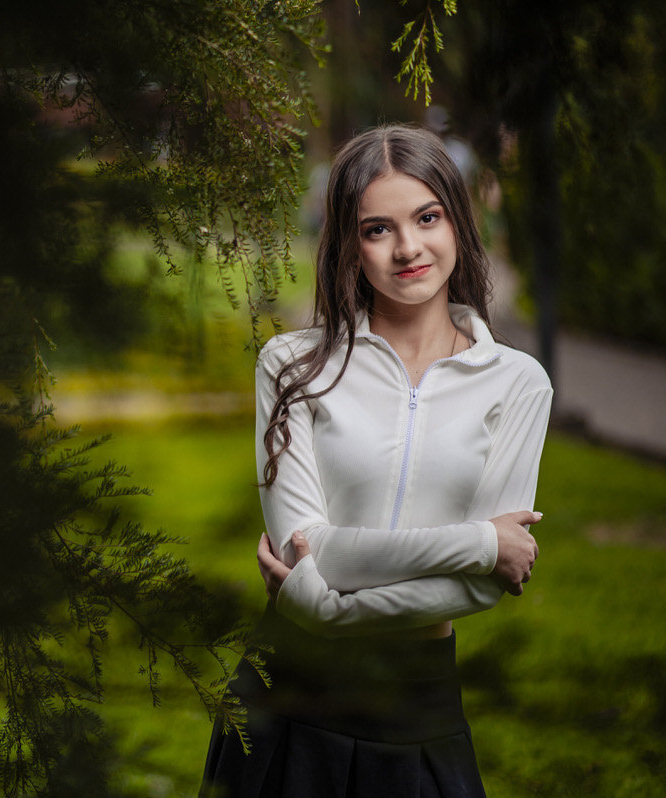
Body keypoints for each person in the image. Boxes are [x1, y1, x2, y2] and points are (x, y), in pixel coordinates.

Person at [201, 124, 552, 797]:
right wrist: (482, 542)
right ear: (347, 244)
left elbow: (480, 590)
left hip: (419, 702)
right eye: (377, 229)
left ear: (458, 221)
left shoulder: (518, 383)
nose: (408, 247)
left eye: (427, 218)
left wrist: (317, 603)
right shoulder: (292, 366)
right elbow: (311, 548)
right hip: (288, 698)